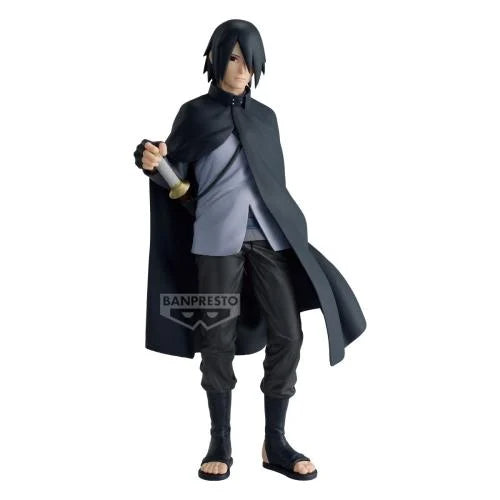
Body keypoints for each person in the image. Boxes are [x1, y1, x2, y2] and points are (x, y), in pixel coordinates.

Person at [133, 19, 366, 481]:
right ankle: (219, 439)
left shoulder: (266, 118)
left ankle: (275, 441)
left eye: (250, 61)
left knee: (289, 335)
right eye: (234, 58)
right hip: (215, 240)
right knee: (215, 340)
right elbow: (175, 173)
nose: (242, 70)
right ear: (216, 60)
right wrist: (153, 161)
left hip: (269, 238)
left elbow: (273, 182)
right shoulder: (195, 113)